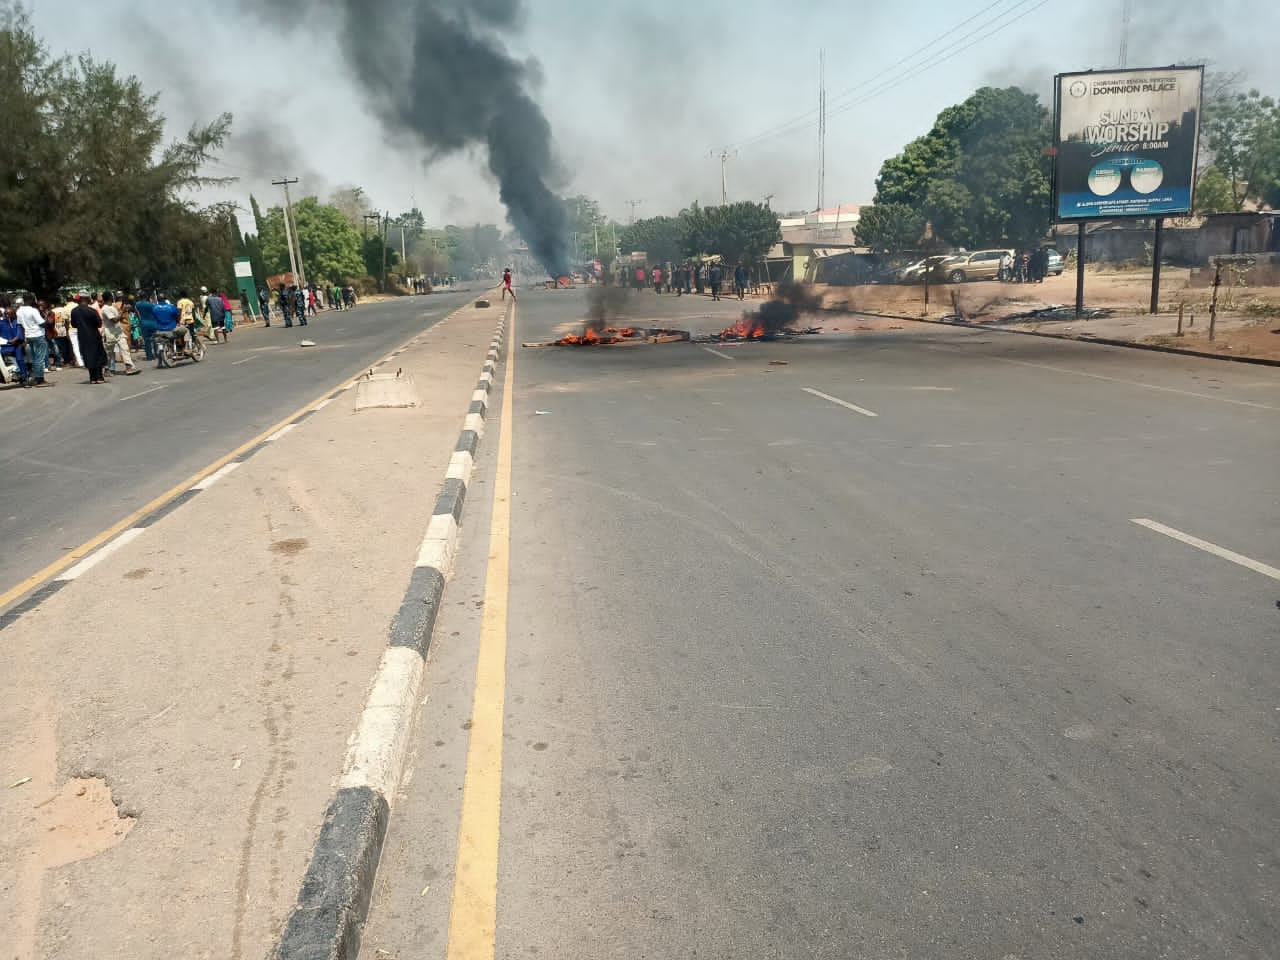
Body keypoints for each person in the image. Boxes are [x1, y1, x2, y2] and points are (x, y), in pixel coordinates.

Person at [71, 290, 108, 384]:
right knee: (98, 355)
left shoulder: (74, 312)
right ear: (87, 298)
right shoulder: (92, 311)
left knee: (87, 356)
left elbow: (74, 324)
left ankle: (92, 377)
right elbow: (99, 324)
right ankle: (99, 377)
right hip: (94, 335)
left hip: (82, 337)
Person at [101, 292, 139, 376]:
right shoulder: (105, 308)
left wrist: (125, 308)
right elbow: (114, 320)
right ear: (110, 297)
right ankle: (106, 369)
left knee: (125, 348)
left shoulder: (112, 306)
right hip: (110, 333)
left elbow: (120, 311)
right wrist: (122, 312)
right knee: (109, 353)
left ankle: (128, 367)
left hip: (118, 331)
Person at [16, 297, 51, 386]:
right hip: (37, 335)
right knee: (39, 358)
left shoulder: (19, 311)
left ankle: (37, 378)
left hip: (28, 336)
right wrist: (46, 317)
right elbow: (42, 324)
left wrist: (24, 338)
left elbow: (20, 325)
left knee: (35, 358)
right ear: (33, 301)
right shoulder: (33, 310)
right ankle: (39, 379)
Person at [0, 301, 27, 384]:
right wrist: (7, 341)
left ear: (13, 314)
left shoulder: (17, 322)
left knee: (20, 360)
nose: (7, 315)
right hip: (5, 346)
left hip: (16, 345)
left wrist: (14, 340)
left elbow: (19, 334)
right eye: (6, 314)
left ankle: (24, 377)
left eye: (9, 314)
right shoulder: (1, 323)